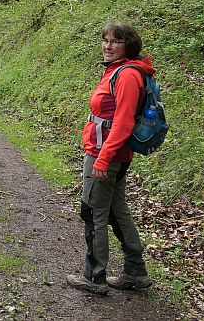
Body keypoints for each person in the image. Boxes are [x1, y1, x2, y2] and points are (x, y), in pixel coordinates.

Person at [66, 22, 154, 295]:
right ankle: (135, 272)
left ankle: (94, 276)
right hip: (113, 152)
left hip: (105, 154)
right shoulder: (120, 71)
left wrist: (103, 160)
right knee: (116, 209)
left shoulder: (126, 75)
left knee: (93, 212)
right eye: (105, 40)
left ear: (128, 45)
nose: (107, 46)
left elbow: (123, 121)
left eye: (115, 41)